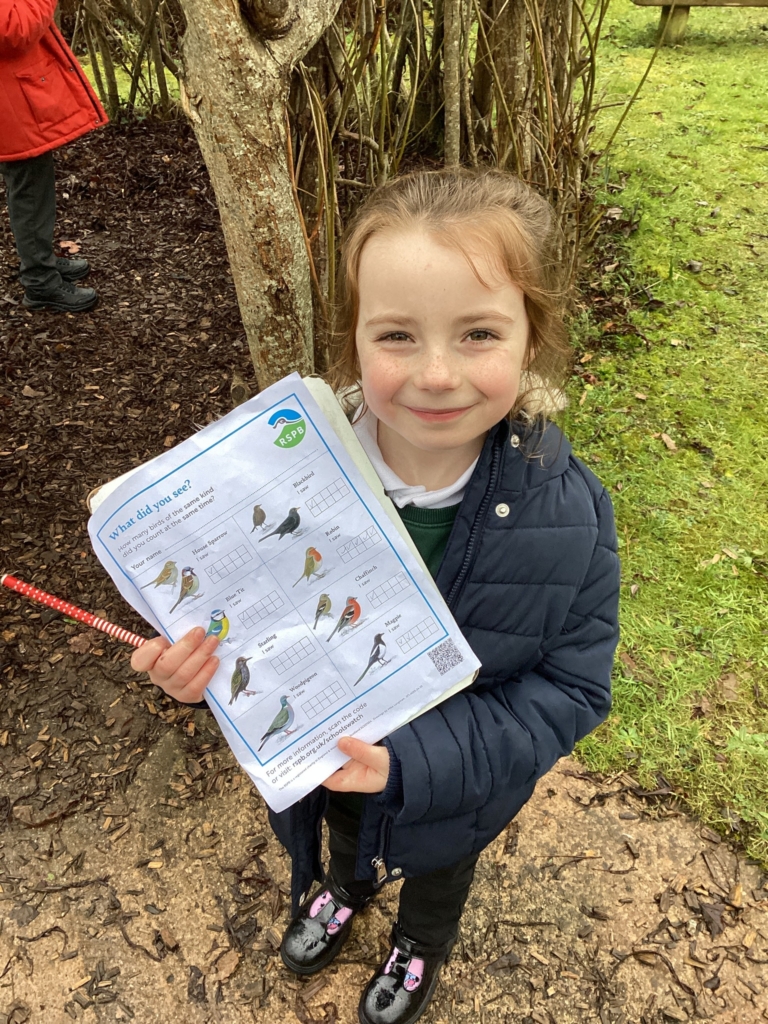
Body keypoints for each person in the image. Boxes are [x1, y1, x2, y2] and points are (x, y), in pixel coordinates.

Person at [130, 169, 620, 1024]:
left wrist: (413, 767)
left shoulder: (569, 512)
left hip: (455, 788)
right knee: (345, 839)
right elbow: (245, 632)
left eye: (478, 333)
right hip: (328, 769)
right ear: (351, 337)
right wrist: (199, 670)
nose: (436, 374)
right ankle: (343, 896)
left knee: (439, 866)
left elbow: (571, 689)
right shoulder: (278, 480)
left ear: (531, 339)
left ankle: (419, 946)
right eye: (396, 333)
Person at [0, 0, 107, 312]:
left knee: (33, 179)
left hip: (12, 93)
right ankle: (40, 283)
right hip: (8, 100)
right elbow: (14, 29)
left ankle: (41, 263)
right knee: (29, 186)